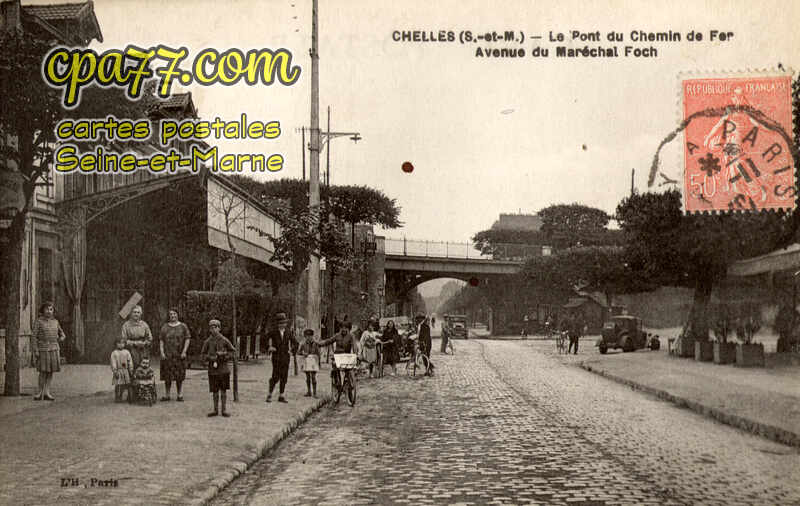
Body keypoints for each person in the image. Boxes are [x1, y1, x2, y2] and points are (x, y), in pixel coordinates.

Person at [31, 302, 66, 401]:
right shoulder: (38, 322)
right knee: (43, 371)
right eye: (47, 309)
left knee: (50, 371)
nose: (49, 311)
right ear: (42, 310)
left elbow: (62, 334)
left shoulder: (55, 322)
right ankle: (39, 392)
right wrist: (35, 350)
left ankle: (47, 392)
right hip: (42, 349)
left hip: (54, 349)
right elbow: (33, 337)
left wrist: (61, 338)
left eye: (51, 309)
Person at [200, 319, 235, 417]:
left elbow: (233, 352)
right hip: (213, 370)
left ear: (219, 328)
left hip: (223, 369)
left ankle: (223, 410)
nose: (213, 329)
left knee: (223, 390)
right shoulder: (207, 341)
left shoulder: (224, 340)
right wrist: (210, 358)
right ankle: (215, 410)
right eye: (211, 328)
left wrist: (224, 355)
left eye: (215, 327)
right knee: (215, 391)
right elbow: (202, 354)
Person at [159, 308, 191, 401]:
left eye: (174, 314)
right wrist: (162, 352)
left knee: (179, 376)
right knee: (167, 376)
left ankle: (179, 394)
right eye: (171, 314)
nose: (173, 316)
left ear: (177, 315)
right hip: (168, 354)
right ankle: (167, 395)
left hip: (179, 354)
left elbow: (187, 338)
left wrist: (184, 351)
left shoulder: (183, 326)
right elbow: (161, 340)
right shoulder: (165, 327)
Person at [265, 312, 297, 403]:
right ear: (277, 323)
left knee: (284, 376)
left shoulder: (288, 332)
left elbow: (295, 342)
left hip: (285, 357)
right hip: (276, 357)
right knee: (275, 376)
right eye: (280, 323)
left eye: (284, 323)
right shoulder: (273, 332)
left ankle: (281, 395)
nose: (282, 325)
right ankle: (269, 394)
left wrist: (292, 351)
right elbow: (264, 339)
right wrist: (269, 347)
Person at [318, 323, 359, 389]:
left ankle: (350, 381)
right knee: (335, 368)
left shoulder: (351, 336)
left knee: (350, 368)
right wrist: (320, 344)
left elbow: (354, 346)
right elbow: (329, 341)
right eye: (342, 327)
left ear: (348, 329)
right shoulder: (337, 335)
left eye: (346, 328)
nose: (344, 329)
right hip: (337, 356)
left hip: (347, 356)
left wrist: (356, 354)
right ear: (340, 328)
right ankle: (337, 381)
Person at [122, 305, 153, 369]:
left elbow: (149, 338)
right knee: (132, 366)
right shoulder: (126, 325)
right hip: (131, 349)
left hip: (143, 348)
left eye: (138, 312)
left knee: (144, 367)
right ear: (131, 313)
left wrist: (144, 343)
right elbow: (124, 339)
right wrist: (134, 343)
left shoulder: (144, 324)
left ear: (141, 314)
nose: (136, 314)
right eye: (134, 312)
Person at [298, 329, 321, 397]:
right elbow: (298, 352)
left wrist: (318, 363)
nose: (309, 337)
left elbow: (318, 353)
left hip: (313, 362)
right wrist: (303, 353)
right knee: (308, 377)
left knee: (313, 377)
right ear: (305, 337)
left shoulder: (316, 344)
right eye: (307, 336)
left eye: (310, 336)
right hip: (306, 362)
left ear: (312, 336)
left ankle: (314, 392)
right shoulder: (303, 344)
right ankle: (309, 391)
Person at [110, 337, 134, 402]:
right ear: (116, 344)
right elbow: (113, 362)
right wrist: (115, 370)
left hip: (125, 370)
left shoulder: (126, 352)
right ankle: (118, 397)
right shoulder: (114, 353)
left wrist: (131, 369)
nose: (121, 344)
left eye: (123, 343)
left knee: (127, 384)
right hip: (118, 370)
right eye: (119, 343)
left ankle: (128, 396)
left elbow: (130, 361)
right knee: (118, 384)